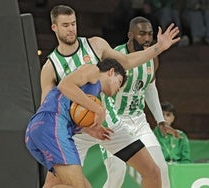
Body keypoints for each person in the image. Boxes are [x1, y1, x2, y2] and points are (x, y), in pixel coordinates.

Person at [42, 5, 180, 188]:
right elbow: (49, 112)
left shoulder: (95, 45)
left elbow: (128, 61)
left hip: (109, 124)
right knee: (54, 184)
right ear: (54, 27)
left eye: (73, 24)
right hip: (77, 133)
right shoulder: (50, 67)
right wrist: (84, 127)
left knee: (153, 172)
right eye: (65, 25)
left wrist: (159, 47)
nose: (71, 29)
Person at [101, 16, 180, 188]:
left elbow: (150, 88)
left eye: (150, 34)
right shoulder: (116, 57)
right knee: (117, 174)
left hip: (138, 121)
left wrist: (160, 120)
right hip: (115, 122)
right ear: (130, 35)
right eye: (142, 34)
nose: (147, 38)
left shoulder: (153, 58)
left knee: (160, 169)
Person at [25, 59, 127, 188]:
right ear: (110, 72)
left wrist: (88, 129)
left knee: (58, 184)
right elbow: (64, 85)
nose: (118, 89)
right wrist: (98, 109)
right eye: (119, 82)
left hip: (40, 129)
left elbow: (69, 111)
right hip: (52, 125)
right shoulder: (94, 70)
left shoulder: (90, 92)